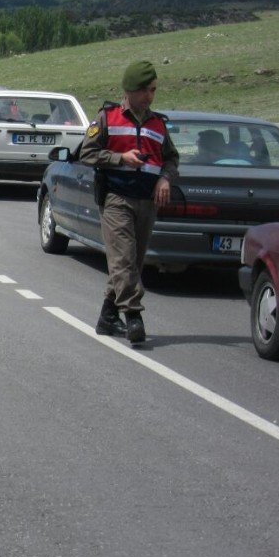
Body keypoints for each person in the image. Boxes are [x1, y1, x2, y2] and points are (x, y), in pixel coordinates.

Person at [80, 60, 179, 344]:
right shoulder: (107, 118)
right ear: (130, 90)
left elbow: (172, 158)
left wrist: (165, 179)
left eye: (154, 90)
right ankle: (133, 315)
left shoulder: (158, 124)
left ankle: (107, 317)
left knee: (132, 262)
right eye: (146, 90)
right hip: (116, 199)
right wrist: (119, 158)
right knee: (123, 259)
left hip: (147, 201)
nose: (150, 96)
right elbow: (87, 153)